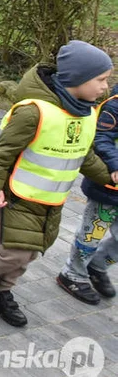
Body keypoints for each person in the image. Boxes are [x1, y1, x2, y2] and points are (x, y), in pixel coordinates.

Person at [0, 41, 118, 327]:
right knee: (15, 249)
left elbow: (84, 156)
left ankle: (3, 292)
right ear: (77, 79)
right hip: (16, 195)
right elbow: (2, 153)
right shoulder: (34, 112)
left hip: (51, 198)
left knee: (31, 252)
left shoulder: (86, 114)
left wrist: (109, 176)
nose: (106, 87)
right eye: (100, 80)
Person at [57, 83, 118, 304]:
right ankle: (72, 274)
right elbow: (101, 138)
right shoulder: (114, 106)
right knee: (91, 234)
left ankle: (97, 265)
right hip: (108, 189)